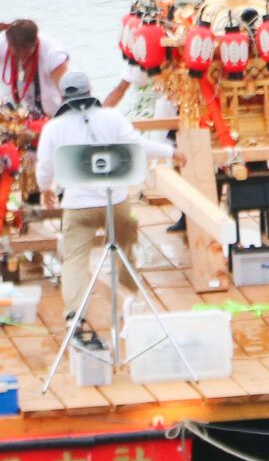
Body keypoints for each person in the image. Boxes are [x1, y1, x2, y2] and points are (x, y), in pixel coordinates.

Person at [35, 70, 173, 322]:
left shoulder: (53, 128)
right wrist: (171, 152)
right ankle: (130, 305)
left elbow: (45, 167)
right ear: (90, 92)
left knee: (74, 260)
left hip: (78, 206)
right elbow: (137, 146)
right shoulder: (112, 118)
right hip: (116, 202)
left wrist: (45, 190)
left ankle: (75, 316)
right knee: (125, 252)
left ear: (63, 97)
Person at [0, 18, 69, 113]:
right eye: (17, 53)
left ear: (35, 43)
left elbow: (67, 93)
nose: (21, 57)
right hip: (14, 113)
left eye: (26, 52)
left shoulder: (53, 54)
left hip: (52, 113)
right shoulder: (3, 44)